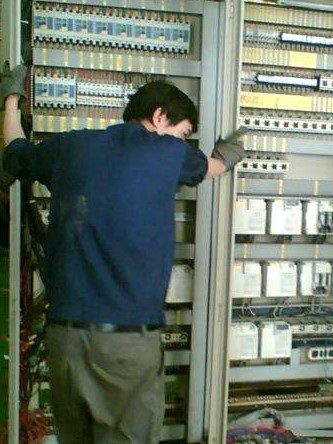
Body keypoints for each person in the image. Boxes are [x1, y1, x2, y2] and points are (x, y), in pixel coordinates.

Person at [1, 66, 245, 443]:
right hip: (125, 347)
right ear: (159, 116)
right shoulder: (168, 153)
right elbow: (212, 166)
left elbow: (15, 153)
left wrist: (11, 101)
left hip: (65, 342)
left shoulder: (69, 147)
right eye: (183, 134)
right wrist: (229, 156)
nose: (183, 143)